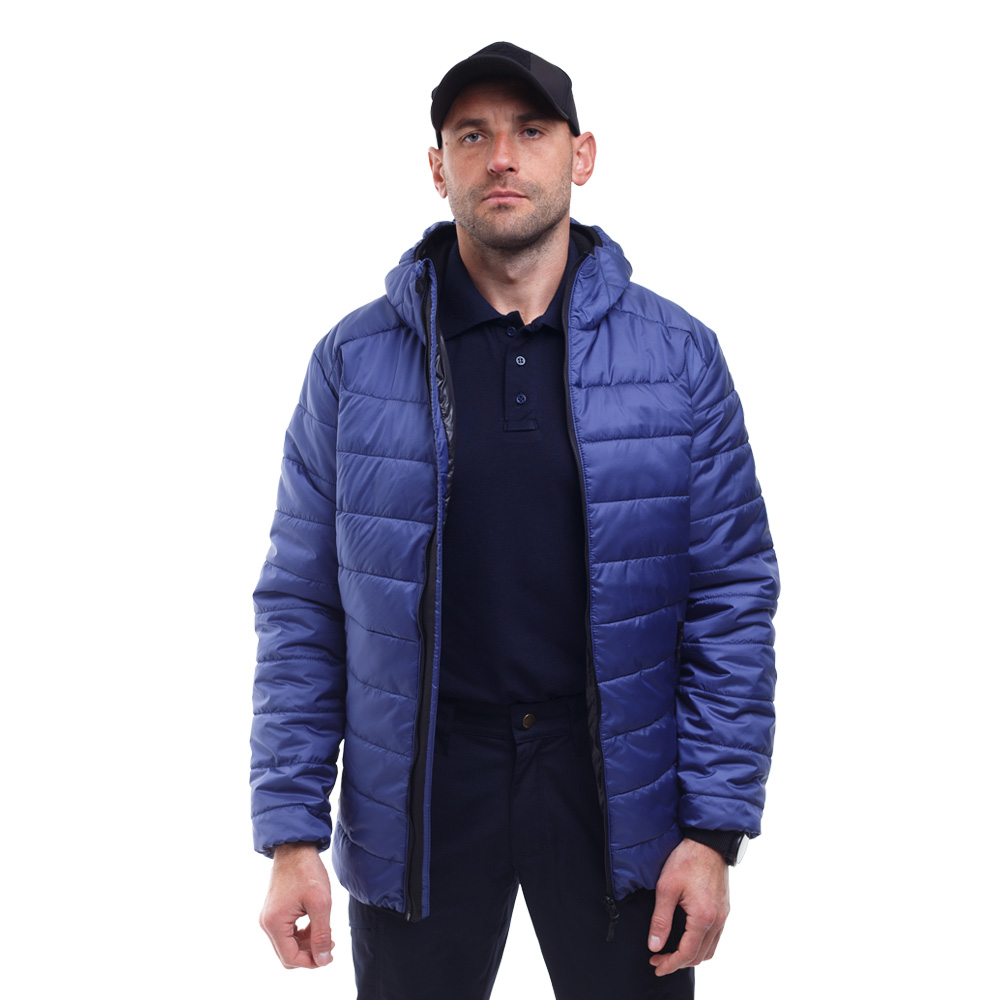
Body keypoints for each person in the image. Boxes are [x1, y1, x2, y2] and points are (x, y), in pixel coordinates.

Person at [251, 41, 779, 1000]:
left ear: (581, 155)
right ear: (437, 166)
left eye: (531, 131)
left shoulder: (678, 357)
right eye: (473, 135)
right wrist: (292, 836)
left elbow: (731, 599)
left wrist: (713, 833)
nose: (502, 157)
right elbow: (301, 605)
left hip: (616, 780)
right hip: (421, 784)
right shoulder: (353, 363)